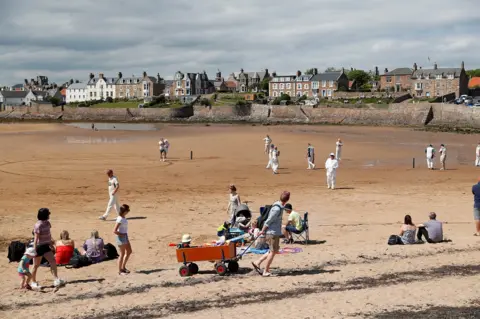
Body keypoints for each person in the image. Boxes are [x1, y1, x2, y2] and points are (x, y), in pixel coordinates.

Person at [251, 191, 290, 277]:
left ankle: (257, 262)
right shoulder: (277, 208)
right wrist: (263, 230)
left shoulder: (278, 205)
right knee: (272, 252)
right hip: (272, 233)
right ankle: (266, 271)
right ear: (287, 200)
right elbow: (269, 220)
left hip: (274, 232)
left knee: (273, 250)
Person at [31, 208, 65, 290]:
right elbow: (36, 239)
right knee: (36, 265)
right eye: (48, 214)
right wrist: (34, 250)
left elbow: (48, 235)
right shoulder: (38, 225)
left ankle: (56, 279)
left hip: (46, 246)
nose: (49, 215)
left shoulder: (47, 223)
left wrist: (51, 244)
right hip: (39, 247)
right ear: (45, 215)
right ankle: (33, 282)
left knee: (53, 261)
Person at [114, 204, 132, 275]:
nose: (128, 211)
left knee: (129, 251)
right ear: (124, 211)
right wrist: (122, 235)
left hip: (125, 236)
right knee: (122, 254)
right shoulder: (120, 219)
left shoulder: (123, 217)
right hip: (121, 237)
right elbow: (115, 230)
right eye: (127, 210)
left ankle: (123, 267)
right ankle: (120, 271)